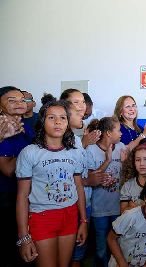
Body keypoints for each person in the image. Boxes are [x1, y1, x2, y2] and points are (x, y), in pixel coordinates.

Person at [16, 100, 87, 266]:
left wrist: (84, 221)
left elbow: (78, 187)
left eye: (63, 118)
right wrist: (24, 237)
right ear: (42, 121)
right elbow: (22, 196)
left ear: (68, 123)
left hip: (69, 216)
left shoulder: (74, 153)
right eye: (51, 117)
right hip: (42, 217)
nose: (58, 122)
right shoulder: (30, 153)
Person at [0, 86, 34, 266]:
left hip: (27, 194)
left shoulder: (25, 126)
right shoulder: (3, 126)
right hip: (7, 197)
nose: (19, 103)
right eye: (11, 100)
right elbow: (8, 170)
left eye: (22, 99)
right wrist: (31, 153)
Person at [85, 116, 126, 267]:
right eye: (118, 130)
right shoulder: (91, 150)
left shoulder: (121, 146)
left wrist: (125, 163)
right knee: (101, 248)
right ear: (108, 133)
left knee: (118, 245)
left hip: (118, 207)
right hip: (99, 209)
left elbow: (127, 176)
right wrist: (107, 160)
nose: (121, 133)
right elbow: (90, 178)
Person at [120, 143, 146, 212]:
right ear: (134, 162)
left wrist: (133, 206)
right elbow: (123, 211)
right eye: (138, 160)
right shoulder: (128, 186)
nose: (141, 164)